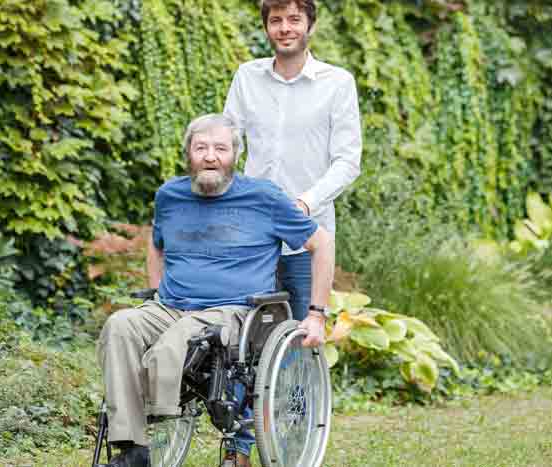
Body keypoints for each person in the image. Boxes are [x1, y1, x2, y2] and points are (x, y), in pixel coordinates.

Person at [96, 114, 335, 467]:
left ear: (234, 156)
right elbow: (156, 245)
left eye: (220, 148)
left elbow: (322, 244)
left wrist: (316, 315)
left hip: (235, 311)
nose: (210, 156)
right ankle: (133, 448)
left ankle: (156, 412)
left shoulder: (263, 198)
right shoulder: (170, 196)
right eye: (201, 147)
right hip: (172, 306)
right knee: (119, 326)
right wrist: (155, 291)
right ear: (188, 154)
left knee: (178, 340)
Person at [223, 0, 362, 463]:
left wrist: (305, 202)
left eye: (294, 19)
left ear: (310, 25)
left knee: (302, 342)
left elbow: (347, 160)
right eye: (276, 20)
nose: (285, 28)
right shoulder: (247, 77)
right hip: (253, 238)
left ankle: (293, 445)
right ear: (267, 27)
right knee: (244, 340)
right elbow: (229, 144)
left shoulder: (336, 84)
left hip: (308, 236)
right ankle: (241, 449)